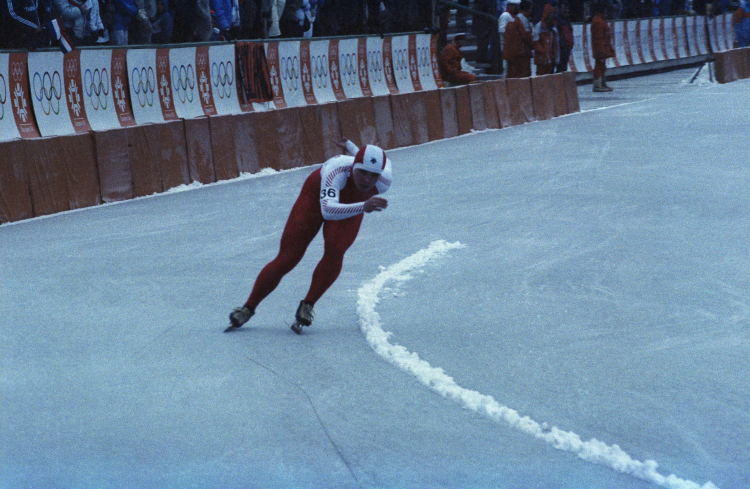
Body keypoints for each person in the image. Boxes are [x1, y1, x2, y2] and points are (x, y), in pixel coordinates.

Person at [227, 139, 392, 334]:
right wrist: (363, 207)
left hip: (352, 202)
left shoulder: (385, 179)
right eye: (362, 172)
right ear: (353, 165)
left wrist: (350, 145)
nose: (367, 179)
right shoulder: (336, 170)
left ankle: (308, 304)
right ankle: (248, 307)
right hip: (315, 197)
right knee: (288, 257)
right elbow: (328, 210)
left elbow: (365, 161)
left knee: (336, 251)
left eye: (373, 175)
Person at [502, 0, 533, 78]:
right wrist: (534, 45)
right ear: (528, 9)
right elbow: (526, 36)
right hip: (521, 54)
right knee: (523, 76)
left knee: (513, 75)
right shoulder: (522, 19)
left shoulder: (516, 17)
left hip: (515, 52)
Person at [590, 2, 615, 91]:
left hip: (603, 47)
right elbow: (599, 38)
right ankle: (597, 84)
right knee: (599, 65)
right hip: (600, 48)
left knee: (602, 65)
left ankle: (602, 83)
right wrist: (601, 50)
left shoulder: (601, 20)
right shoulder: (598, 21)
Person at [533, 3, 559, 75]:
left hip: (550, 59)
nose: (552, 15)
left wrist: (555, 56)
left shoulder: (553, 27)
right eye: (551, 13)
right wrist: (543, 52)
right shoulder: (539, 27)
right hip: (541, 59)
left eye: (553, 13)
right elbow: (536, 42)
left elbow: (555, 43)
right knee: (540, 78)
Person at [498, 0, 521, 76]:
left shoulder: (515, 16)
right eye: (516, 6)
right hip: (506, 45)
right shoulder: (505, 15)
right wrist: (512, 36)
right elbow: (501, 30)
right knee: (507, 68)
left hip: (514, 46)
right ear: (512, 6)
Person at [555, 2, 574, 73]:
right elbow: (557, 35)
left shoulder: (567, 18)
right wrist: (563, 45)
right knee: (560, 67)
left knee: (564, 67)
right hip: (561, 48)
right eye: (564, 8)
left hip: (567, 47)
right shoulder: (557, 19)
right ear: (559, 9)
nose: (566, 10)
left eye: (567, 8)